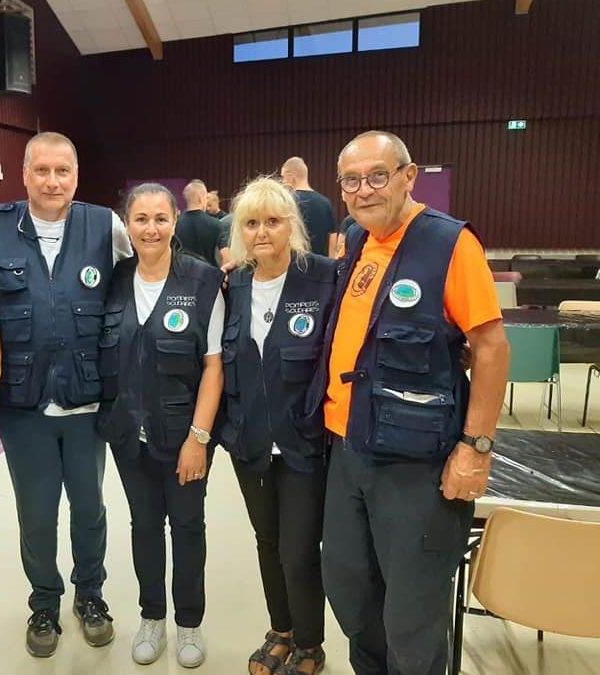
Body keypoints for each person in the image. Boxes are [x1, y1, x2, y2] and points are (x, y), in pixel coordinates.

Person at [308, 131, 509, 675]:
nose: (363, 190)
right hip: (347, 450)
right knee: (351, 589)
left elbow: (490, 348)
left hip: (416, 461)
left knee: (412, 613)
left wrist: (476, 448)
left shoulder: (449, 244)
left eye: (377, 175)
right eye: (351, 180)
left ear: (408, 176)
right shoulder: (354, 239)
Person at [0, 131, 132, 657]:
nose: (52, 181)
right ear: (24, 174)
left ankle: (91, 596)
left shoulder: (106, 226)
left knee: (89, 508)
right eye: (42, 170)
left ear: (76, 177)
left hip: (86, 401)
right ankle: (43, 602)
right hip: (23, 404)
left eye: (63, 171)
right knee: (35, 513)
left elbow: (135, 289)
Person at [97, 183, 225, 668]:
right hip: (129, 436)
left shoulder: (204, 282)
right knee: (145, 527)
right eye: (140, 219)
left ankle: (188, 623)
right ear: (126, 225)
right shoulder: (113, 281)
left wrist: (199, 439)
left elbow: (213, 367)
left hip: (184, 437)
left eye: (160, 219)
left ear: (175, 222)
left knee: (188, 528)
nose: (151, 229)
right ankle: (152, 617)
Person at [217, 177, 336, 675]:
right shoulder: (232, 285)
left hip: (305, 444)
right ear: (239, 231)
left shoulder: (325, 278)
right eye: (251, 223)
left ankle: (310, 644)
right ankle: (281, 632)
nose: (262, 232)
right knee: (267, 542)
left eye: (272, 221)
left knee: (298, 550)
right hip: (250, 444)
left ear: (292, 225)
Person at [280, 157, 338, 257]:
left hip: (295, 264)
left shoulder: (287, 202)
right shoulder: (325, 202)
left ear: (290, 176)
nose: (283, 181)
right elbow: (332, 238)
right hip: (321, 265)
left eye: (283, 177)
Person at [175, 179, 223, 267]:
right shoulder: (217, 225)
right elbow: (225, 256)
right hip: (210, 275)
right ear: (201, 199)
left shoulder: (174, 225)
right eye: (206, 198)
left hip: (182, 275)